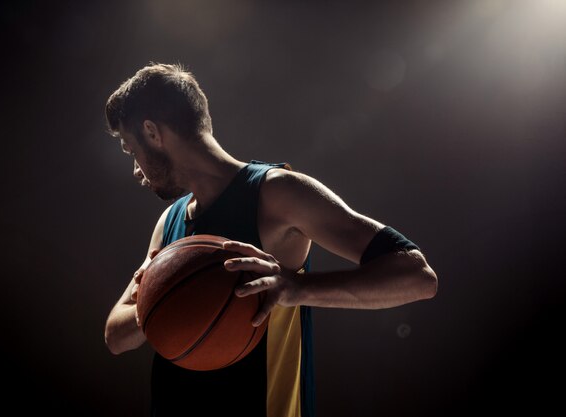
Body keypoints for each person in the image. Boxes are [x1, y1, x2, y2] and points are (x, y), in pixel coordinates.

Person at [103, 62, 437, 417]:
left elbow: (416, 275)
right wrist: (161, 303)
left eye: (130, 148)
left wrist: (298, 288)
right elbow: (115, 335)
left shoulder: (277, 193)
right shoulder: (169, 221)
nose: (137, 168)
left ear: (152, 132)